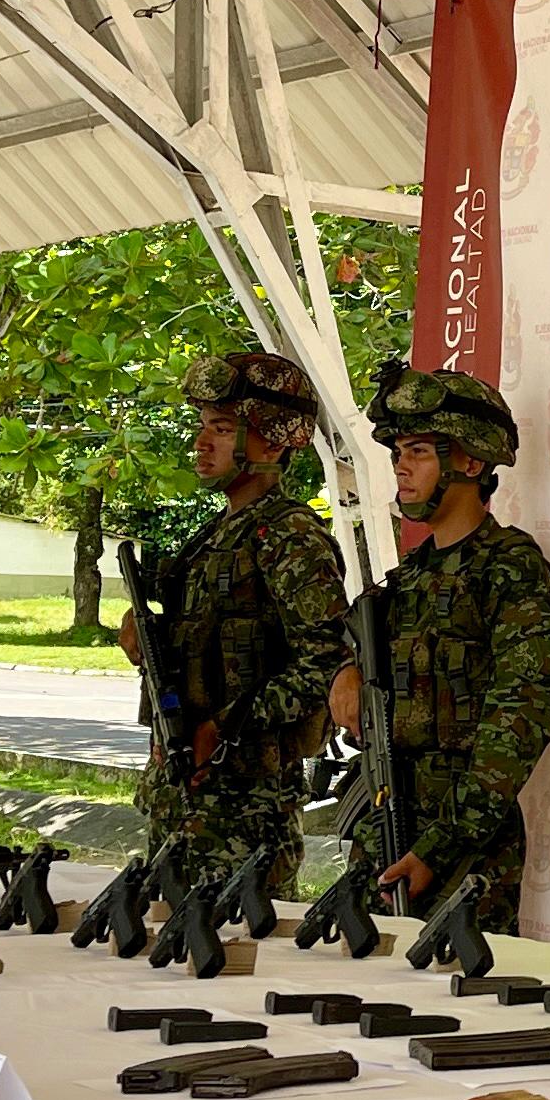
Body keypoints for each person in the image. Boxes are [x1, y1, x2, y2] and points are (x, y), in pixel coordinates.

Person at [333, 362, 550, 919]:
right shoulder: (410, 576)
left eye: (418, 452)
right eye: (398, 454)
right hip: (386, 817)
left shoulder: (510, 570)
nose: (402, 468)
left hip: (464, 851)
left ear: (470, 459)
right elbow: (368, 659)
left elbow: (517, 723)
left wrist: (439, 847)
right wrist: (345, 672)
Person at [129, 349, 355, 919]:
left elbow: (325, 664)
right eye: (204, 426)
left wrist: (227, 726)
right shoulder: (217, 535)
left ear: (272, 443)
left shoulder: (292, 538)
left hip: (245, 811)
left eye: (224, 429)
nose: (203, 443)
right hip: (183, 796)